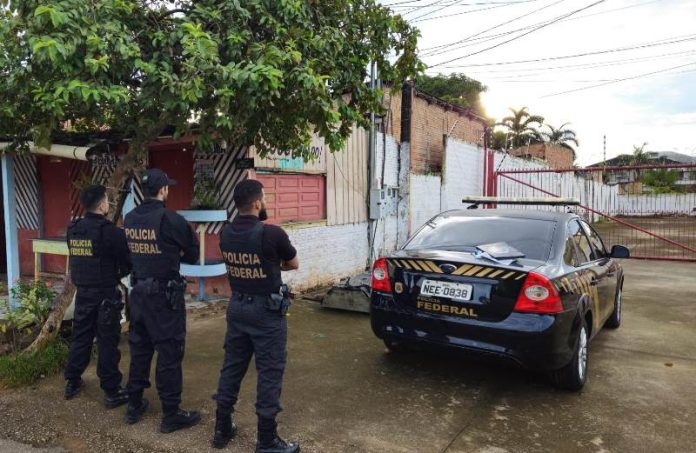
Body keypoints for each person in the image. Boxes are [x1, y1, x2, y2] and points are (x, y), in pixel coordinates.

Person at [212, 179, 300, 453]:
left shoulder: (225, 233)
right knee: (270, 372)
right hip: (266, 312)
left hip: (237, 307)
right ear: (257, 203)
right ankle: (266, 440)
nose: (266, 202)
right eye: (265, 198)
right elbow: (293, 263)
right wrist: (271, 265)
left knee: (232, 367)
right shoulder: (272, 234)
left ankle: (221, 429)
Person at [123, 168, 200, 433]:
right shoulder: (171, 219)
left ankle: (133, 405)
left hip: (138, 293)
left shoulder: (130, 218)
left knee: (140, 349)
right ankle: (171, 414)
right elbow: (192, 254)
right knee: (169, 352)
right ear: (163, 190)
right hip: (163, 297)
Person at [64, 184, 132, 408]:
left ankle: (72, 381)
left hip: (83, 293)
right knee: (107, 342)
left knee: (81, 337)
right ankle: (112, 391)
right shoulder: (111, 232)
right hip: (105, 295)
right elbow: (128, 261)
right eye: (106, 200)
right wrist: (116, 275)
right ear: (102, 204)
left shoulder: (74, 229)